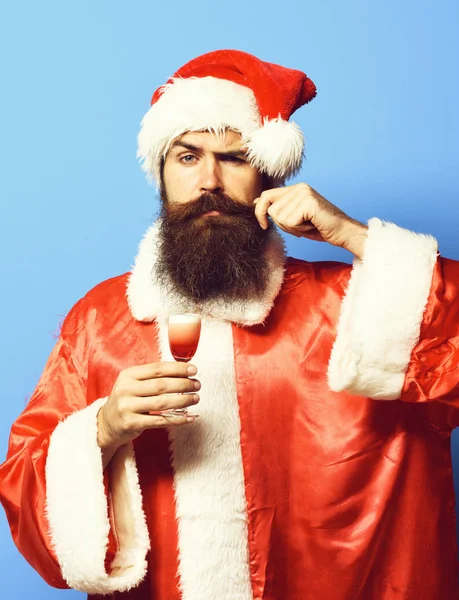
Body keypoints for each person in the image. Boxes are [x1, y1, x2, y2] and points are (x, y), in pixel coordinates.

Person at [1, 49, 458, 600]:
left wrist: (356, 236)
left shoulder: (353, 301)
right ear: (162, 174)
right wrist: (101, 431)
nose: (209, 180)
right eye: (187, 157)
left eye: (234, 158)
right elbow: (23, 486)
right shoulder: (100, 320)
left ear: (265, 172)